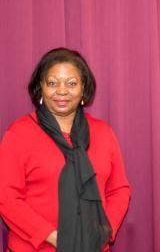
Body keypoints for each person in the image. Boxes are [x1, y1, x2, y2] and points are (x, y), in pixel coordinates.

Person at [0, 48, 131, 251]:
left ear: (83, 89)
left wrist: (105, 231)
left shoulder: (103, 133)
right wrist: (53, 237)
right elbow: (7, 198)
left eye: (71, 83)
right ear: (40, 88)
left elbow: (119, 190)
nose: (62, 91)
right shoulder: (19, 134)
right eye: (53, 83)